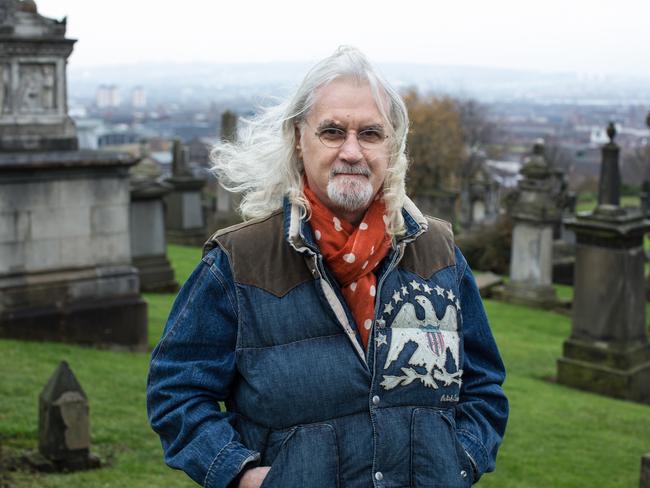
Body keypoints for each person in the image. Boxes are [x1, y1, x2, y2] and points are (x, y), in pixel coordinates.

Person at [147, 46, 508, 488]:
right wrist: (240, 474)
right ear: (300, 139)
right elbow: (176, 391)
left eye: (371, 134)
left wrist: (459, 462)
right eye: (333, 132)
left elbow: (484, 387)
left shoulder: (439, 254)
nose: (352, 151)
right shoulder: (238, 263)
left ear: (392, 144)